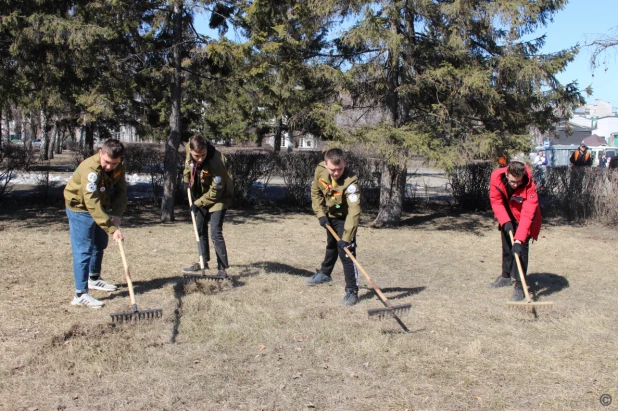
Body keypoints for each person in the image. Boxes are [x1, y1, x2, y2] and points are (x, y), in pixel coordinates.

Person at [64, 139, 127, 308]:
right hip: (80, 207)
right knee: (83, 250)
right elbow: (91, 202)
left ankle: (94, 278)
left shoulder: (119, 165)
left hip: (101, 205)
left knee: (100, 243)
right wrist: (112, 228)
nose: (109, 167)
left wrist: (117, 214)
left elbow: (121, 191)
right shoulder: (90, 169)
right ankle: (80, 294)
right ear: (100, 152)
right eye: (107, 162)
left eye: (114, 163)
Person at [307, 148, 361, 306]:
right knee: (331, 244)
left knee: (346, 252)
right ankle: (325, 274)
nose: (336, 173)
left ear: (345, 163)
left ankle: (352, 291)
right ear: (325, 164)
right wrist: (320, 214)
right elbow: (315, 192)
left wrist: (347, 237)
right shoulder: (320, 170)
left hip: (345, 217)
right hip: (329, 214)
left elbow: (354, 211)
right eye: (333, 169)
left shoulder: (351, 182)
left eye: (340, 169)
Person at [488, 160, 542, 301]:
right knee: (507, 247)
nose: (515, 185)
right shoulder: (496, 177)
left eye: (518, 182)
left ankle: (519, 285)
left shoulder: (529, 186)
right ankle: (505, 276)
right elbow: (496, 200)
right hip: (506, 214)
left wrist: (519, 240)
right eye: (512, 181)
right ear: (507, 174)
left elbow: (528, 214)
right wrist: (505, 221)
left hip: (524, 219)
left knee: (520, 251)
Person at [181, 134, 233, 278]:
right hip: (202, 193)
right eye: (196, 155)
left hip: (219, 196)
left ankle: (222, 269)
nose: (200, 159)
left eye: (203, 155)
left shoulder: (217, 162)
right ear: (191, 149)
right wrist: (186, 181)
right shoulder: (188, 148)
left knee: (215, 232)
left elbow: (216, 192)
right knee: (199, 228)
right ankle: (203, 261)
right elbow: (187, 164)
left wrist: (197, 203)